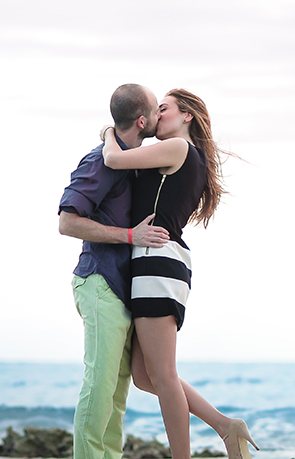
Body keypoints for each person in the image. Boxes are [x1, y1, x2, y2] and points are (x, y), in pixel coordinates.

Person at [100, 88, 258, 459]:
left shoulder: (180, 149)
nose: (157, 115)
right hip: (157, 262)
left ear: (186, 116)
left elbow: (111, 159)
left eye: (164, 109)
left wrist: (110, 131)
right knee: (144, 376)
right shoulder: (183, 156)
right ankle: (225, 426)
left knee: (164, 375)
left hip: (157, 262)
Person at [58, 84, 170, 459]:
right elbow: (67, 222)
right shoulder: (99, 162)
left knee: (116, 397)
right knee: (99, 386)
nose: (160, 116)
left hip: (122, 290)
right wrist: (129, 235)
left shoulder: (127, 159)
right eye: (157, 111)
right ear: (142, 120)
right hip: (99, 282)